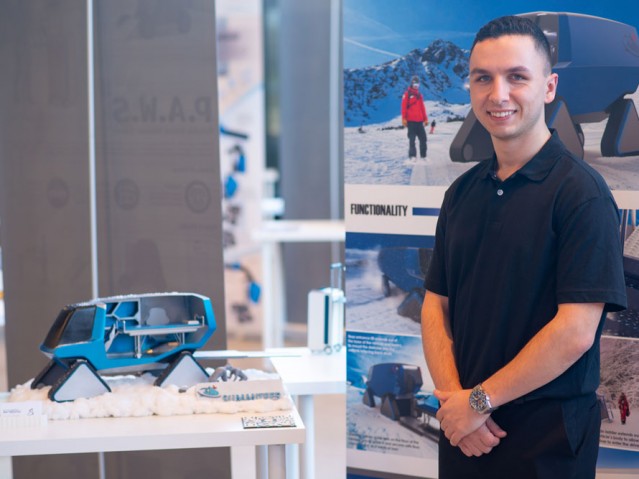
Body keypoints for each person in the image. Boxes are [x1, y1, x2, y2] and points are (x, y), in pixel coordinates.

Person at [421, 15, 627, 479]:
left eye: (517, 77)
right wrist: (455, 403)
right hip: (465, 436)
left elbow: (574, 332)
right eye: (483, 78)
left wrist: (477, 403)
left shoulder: (582, 195)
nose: (498, 94)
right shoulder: (461, 194)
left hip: (544, 445)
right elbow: (435, 305)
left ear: (549, 87)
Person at [401, 75, 428, 160]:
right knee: (412, 140)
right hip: (411, 121)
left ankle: (423, 156)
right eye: (415, 83)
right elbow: (403, 107)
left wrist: (425, 118)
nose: (416, 85)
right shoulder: (407, 94)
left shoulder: (419, 95)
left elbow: (422, 108)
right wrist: (404, 118)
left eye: (418, 84)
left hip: (419, 121)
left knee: (423, 139)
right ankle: (412, 156)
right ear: (412, 84)